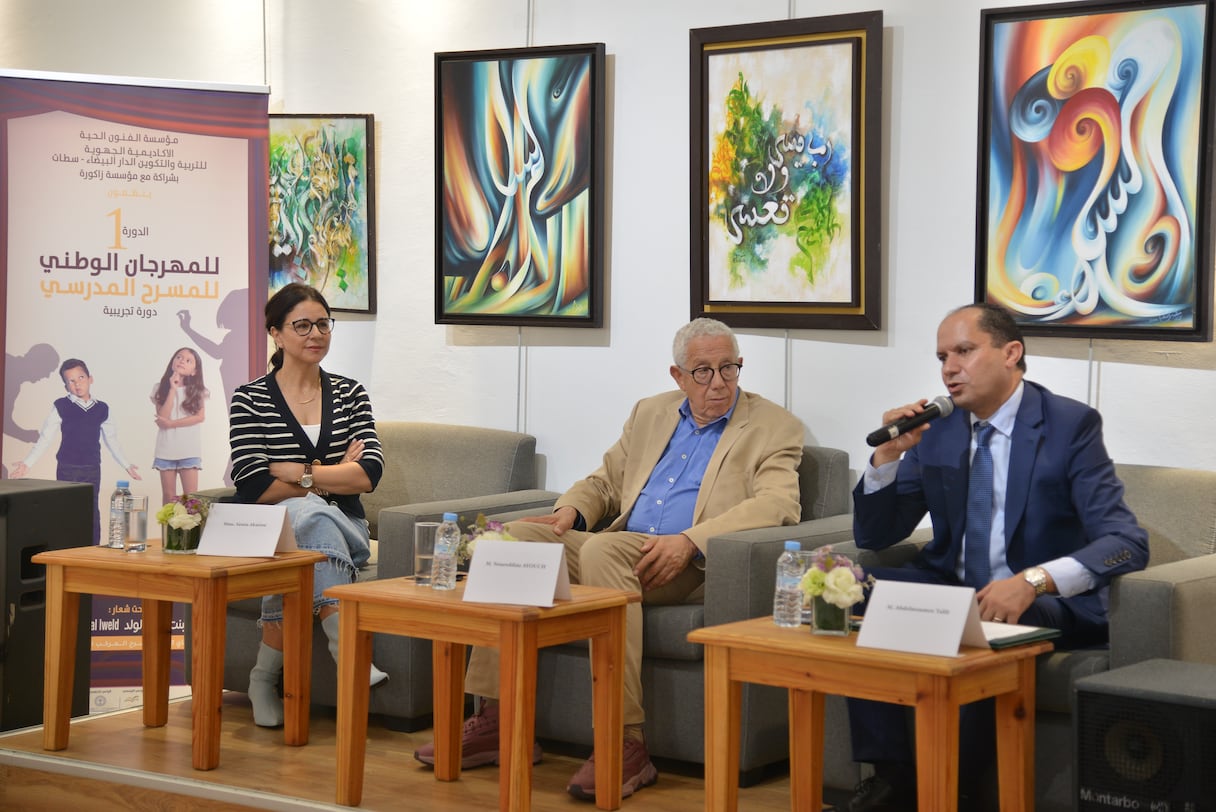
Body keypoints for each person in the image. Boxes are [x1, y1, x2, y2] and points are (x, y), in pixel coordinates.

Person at [414, 317, 805, 801]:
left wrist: (691, 540)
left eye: (729, 368)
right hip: (622, 546)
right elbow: (604, 481)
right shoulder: (651, 413)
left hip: (689, 562)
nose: (719, 383)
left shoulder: (772, 425)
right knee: (506, 540)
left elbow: (778, 505)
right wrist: (569, 512)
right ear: (677, 376)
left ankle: (626, 740)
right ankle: (496, 715)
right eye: (703, 371)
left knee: (602, 550)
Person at [844, 303, 1149, 812]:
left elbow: (1126, 542)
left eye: (964, 351)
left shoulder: (1069, 425)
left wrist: (1032, 580)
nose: (948, 368)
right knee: (856, 584)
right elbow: (876, 534)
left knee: (998, 611)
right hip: (953, 587)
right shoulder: (938, 429)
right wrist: (886, 460)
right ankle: (893, 778)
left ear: (1012, 353)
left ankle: (957, 787)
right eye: (942, 356)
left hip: (1040, 601)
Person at [228, 282, 388, 728]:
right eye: (302, 325)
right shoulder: (250, 398)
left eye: (323, 323)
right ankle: (344, 643)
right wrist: (331, 473)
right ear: (276, 334)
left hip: (348, 529)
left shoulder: (352, 393)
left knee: (306, 515)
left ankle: (262, 678)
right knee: (306, 517)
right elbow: (253, 485)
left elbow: (369, 474)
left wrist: (296, 472)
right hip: (271, 534)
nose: (315, 333)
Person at [8, 358, 141, 544]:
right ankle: (65, 550)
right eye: (71, 381)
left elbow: (111, 440)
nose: (77, 384)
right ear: (65, 385)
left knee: (91, 510)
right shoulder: (61, 406)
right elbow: (45, 438)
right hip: (67, 467)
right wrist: (27, 464)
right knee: (66, 510)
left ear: (90, 379)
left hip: (92, 468)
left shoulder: (102, 409)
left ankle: (92, 549)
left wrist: (126, 464)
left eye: (81, 378)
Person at [151, 347, 209, 506]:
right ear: (172, 363)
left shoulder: (198, 391)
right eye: (179, 357)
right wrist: (172, 389)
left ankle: (192, 532)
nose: (182, 361)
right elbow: (163, 416)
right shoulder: (160, 388)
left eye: (188, 360)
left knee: (191, 498)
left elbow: (199, 417)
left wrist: (171, 424)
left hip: (188, 450)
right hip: (166, 450)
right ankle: (167, 531)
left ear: (194, 371)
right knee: (168, 496)